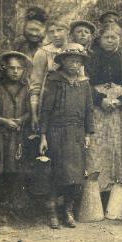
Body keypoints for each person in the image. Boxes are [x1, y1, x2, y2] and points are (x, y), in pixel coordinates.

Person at [39, 44, 94, 228]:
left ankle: (67, 211)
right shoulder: (55, 80)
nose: (74, 64)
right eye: (70, 60)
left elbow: (88, 109)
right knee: (57, 173)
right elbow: (45, 109)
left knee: (76, 175)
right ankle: (52, 212)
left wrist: (88, 133)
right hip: (57, 132)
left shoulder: (85, 82)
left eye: (78, 61)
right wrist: (43, 135)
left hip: (77, 133)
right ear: (62, 61)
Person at [85, 22, 122, 192]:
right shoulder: (90, 57)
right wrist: (100, 100)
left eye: (115, 37)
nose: (111, 41)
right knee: (97, 147)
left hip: (119, 110)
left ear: (120, 38)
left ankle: (115, 191)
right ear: (99, 39)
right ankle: (96, 191)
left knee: (117, 146)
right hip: (98, 108)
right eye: (107, 37)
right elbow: (84, 85)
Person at [0, 51, 32, 215]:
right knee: (0, 168)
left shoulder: (26, 88)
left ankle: (16, 206)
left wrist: (20, 120)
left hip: (17, 135)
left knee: (16, 169)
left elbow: (29, 111)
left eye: (19, 68)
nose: (15, 71)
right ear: (5, 69)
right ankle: (0, 206)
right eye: (11, 68)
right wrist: (4, 121)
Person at [29, 20, 74, 133]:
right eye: (51, 32)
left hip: (73, 105)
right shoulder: (43, 52)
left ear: (68, 32)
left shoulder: (76, 49)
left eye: (59, 30)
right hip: (50, 105)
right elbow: (35, 85)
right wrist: (34, 114)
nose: (56, 34)